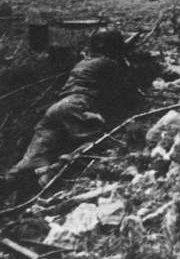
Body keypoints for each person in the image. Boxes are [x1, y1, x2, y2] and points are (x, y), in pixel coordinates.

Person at [5, 29, 142, 191]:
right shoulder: (109, 64)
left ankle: (10, 178)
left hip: (56, 108)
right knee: (99, 144)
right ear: (111, 47)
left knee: (34, 159)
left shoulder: (84, 62)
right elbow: (127, 91)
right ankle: (54, 172)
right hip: (78, 105)